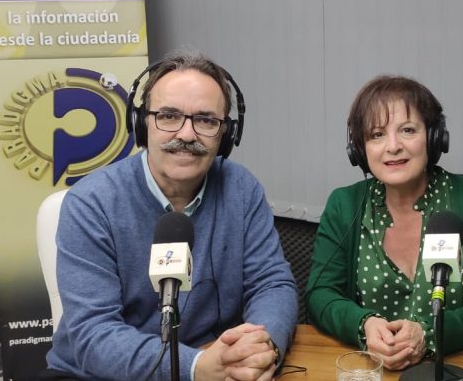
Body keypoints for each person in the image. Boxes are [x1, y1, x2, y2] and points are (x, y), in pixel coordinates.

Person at [46, 48, 297, 380]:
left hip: (215, 362)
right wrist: (195, 367)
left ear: (227, 134)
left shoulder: (241, 189)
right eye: (168, 116)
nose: (187, 134)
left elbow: (272, 283)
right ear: (141, 124)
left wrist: (263, 349)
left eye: (206, 120)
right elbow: (93, 335)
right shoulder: (91, 204)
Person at [305, 75, 463, 370]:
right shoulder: (345, 205)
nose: (393, 146)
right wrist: (363, 324)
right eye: (377, 134)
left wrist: (429, 334)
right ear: (360, 150)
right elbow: (320, 294)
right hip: (371, 370)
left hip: (453, 368)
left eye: (407, 130)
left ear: (434, 138)